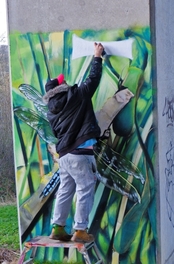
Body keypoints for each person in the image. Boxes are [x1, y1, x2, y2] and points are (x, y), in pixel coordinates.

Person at [43, 42, 104, 243]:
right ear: (61, 87)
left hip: (65, 156)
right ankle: (80, 230)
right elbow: (93, 80)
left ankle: (58, 227)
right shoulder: (76, 96)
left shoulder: (52, 112)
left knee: (65, 189)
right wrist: (97, 57)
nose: (66, 81)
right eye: (63, 82)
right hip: (80, 153)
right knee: (85, 187)